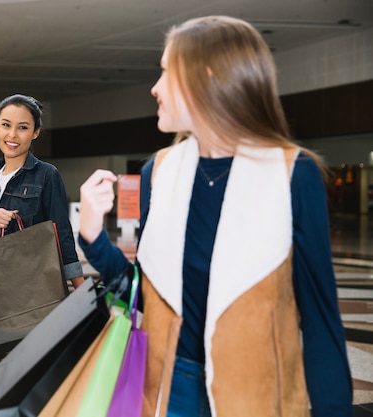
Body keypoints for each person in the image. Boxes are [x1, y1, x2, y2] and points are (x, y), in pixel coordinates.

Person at [78, 16, 353, 417]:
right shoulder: (161, 170)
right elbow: (141, 297)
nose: (154, 88)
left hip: (254, 394)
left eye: (166, 72)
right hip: (167, 389)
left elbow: (320, 321)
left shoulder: (291, 173)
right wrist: (92, 235)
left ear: (205, 76)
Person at [0, 93, 85, 414]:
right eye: (6, 125)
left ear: (35, 132)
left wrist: (80, 294)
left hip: (35, 296)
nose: (13, 135)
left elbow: (61, 235)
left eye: (22, 127)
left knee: (33, 386)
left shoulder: (47, 175)